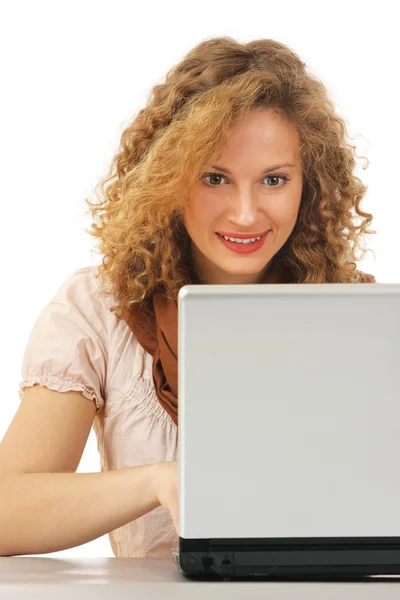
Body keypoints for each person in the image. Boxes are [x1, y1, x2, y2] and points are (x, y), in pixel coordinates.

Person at [0, 36, 376, 558]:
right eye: (215, 178)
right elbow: (6, 513)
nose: (245, 214)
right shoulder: (100, 309)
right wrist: (159, 481)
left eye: (273, 179)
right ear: (168, 179)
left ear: (307, 185)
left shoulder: (362, 318)